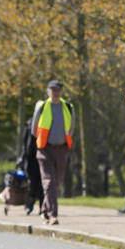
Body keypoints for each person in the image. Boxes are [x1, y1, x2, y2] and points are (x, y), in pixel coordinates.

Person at [31, 80, 73, 226]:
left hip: (62, 149)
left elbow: (71, 127)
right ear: (48, 91)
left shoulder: (68, 107)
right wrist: (43, 142)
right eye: (52, 90)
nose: (55, 92)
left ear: (61, 91)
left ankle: (44, 209)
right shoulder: (42, 106)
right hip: (45, 149)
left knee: (58, 182)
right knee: (49, 182)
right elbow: (34, 129)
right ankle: (53, 215)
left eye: (58, 90)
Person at [17, 118, 44, 215]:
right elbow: (25, 143)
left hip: (40, 155)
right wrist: (23, 157)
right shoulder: (29, 124)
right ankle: (31, 204)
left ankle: (40, 206)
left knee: (40, 182)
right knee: (34, 182)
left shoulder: (33, 123)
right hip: (32, 157)